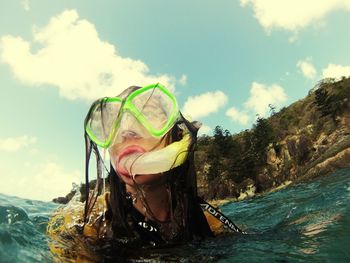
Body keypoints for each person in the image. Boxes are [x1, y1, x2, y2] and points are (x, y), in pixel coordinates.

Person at [47, 83, 242, 262]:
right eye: (113, 123)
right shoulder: (87, 225)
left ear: (179, 137)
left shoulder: (211, 223)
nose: (126, 132)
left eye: (147, 115)